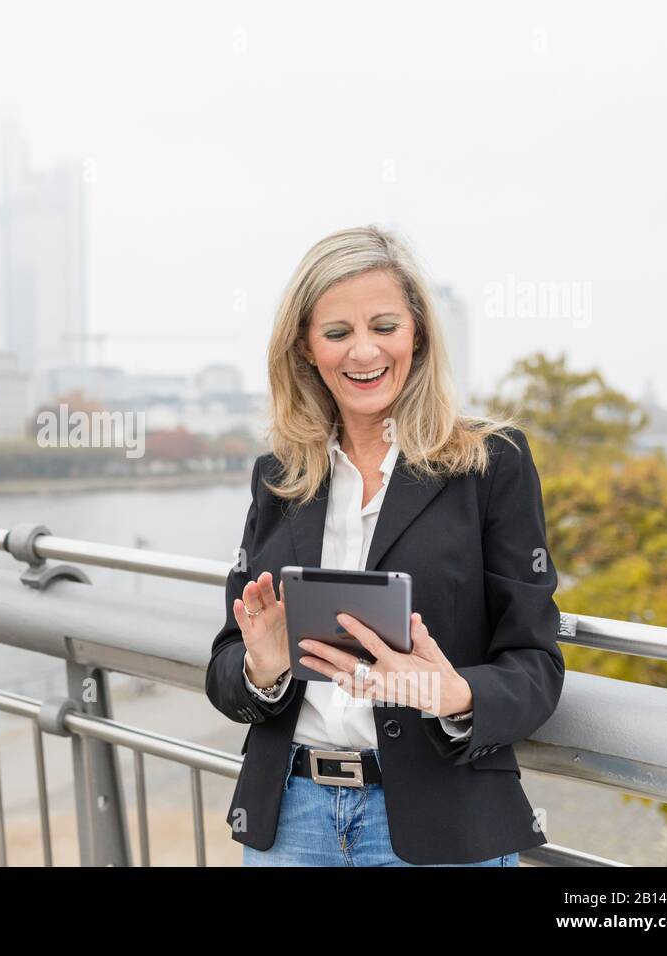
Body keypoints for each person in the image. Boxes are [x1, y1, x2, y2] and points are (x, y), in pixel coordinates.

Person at [205, 225, 565, 866]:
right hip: (289, 822)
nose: (363, 351)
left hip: (441, 825)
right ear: (307, 349)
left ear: (419, 333)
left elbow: (536, 664)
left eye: (385, 326)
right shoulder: (279, 475)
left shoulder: (491, 463)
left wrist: (451, 694)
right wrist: (263, 669)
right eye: (337, 332)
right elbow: (227, 664)